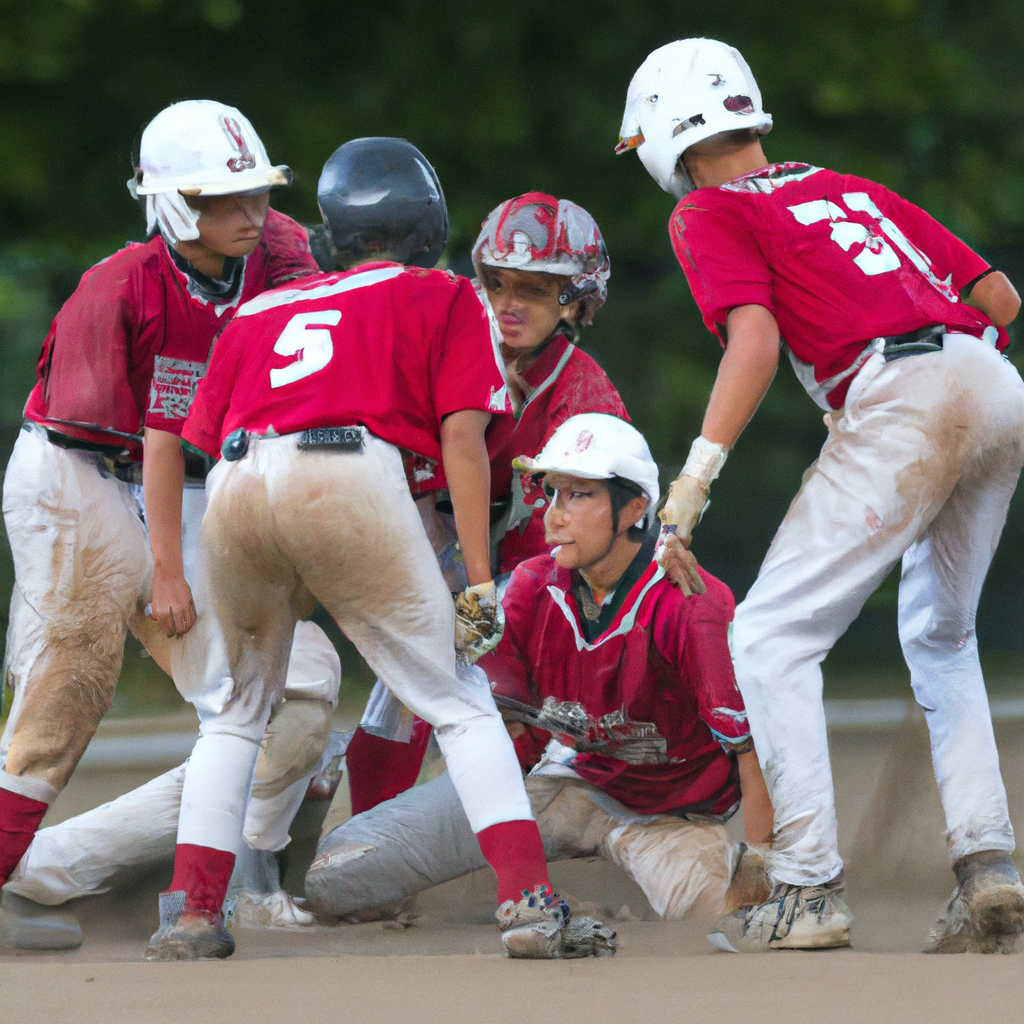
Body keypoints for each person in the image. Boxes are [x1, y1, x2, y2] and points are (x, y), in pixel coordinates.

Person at [145, 137, 616, 962]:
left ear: (330, 231)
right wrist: (476, 582)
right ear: (430, 226)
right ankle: (530, 903)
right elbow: (462, 445)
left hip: (236, 482)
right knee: (462, 703)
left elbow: (206, 440)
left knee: (236, 715)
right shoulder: (439, 294)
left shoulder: (258, 310)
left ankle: (191, 912)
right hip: (346, 473)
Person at [617, 37, 1024, 953]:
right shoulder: (848, 186)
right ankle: (987, 863)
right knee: (941, 637)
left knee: (767, 636)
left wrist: (692, 483)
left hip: (898, 396)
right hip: (992, 385)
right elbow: (998, 299)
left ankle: (807, 886)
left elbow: (754, 343)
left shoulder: (706, 210)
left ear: (662, 136)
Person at [0, 100, 341, 949]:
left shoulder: (278, 253)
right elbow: (152, 437)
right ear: (172, 201)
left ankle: (51, 875)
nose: (250, 213)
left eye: (255, 192)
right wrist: (166, 570)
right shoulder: (129, 286)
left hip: (187, 480)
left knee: (298, 693)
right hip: (81, 475)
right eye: (222, 198)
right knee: (67, 692)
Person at [305, 414, 773, 924]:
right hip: (563, 781)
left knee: (733, 924)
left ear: (635, 507)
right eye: (553, 494)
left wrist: (761, 858)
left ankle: (639, 873)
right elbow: (498, 726)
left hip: (668, 817)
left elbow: (756, 754)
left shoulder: (692, 606)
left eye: (579, 495)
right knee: (333, 877)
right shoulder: (532, 586)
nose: (554, 516)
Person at [345, 193, 703, 813]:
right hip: (428, 549)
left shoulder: (583, 392)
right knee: (395, 703)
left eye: (535, 289)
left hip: (535, 579)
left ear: (578, 300)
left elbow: (605, 528)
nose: (509, 304)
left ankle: (491, 848)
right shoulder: (445, 344)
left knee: (483, 690)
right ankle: (358, 840)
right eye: (497, 282)